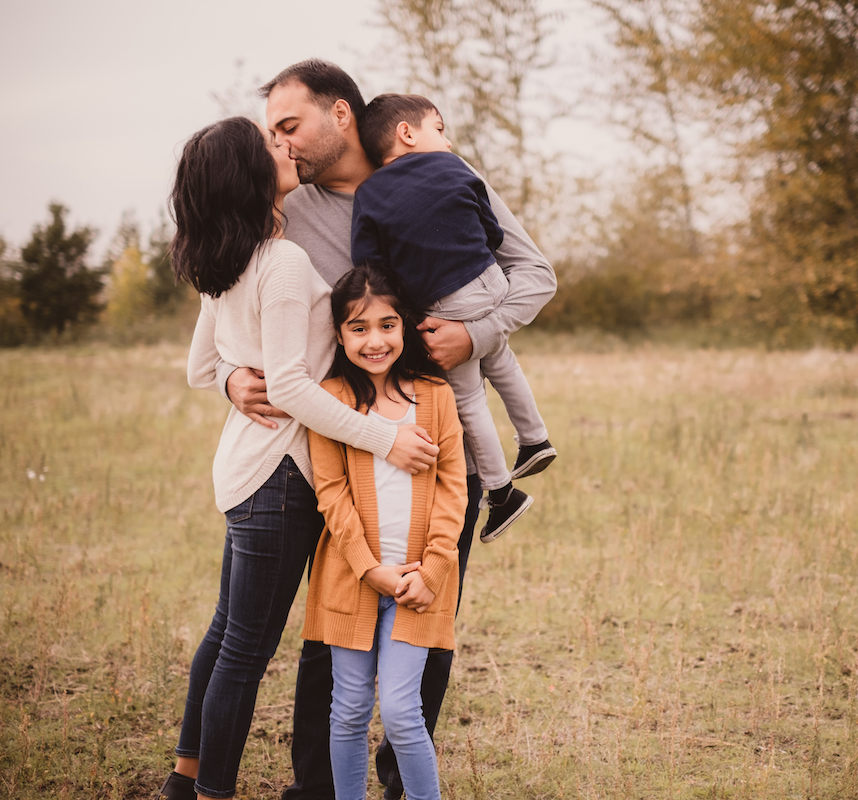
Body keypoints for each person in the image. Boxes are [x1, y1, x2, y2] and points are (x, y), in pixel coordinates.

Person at [223, 58, 556, 800]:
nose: (283, 145)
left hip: (444, 436)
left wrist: (476, 337)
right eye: (274, 132)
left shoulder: (440, 168)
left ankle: (403, 784)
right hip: (339, 443)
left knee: (425, 619)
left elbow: (534, 273)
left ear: (341, 113)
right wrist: (227, 374)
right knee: (334, 624)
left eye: (290, 126)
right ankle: (316, 789)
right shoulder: (289, 208)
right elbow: (228, 296)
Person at [158, 117, 439, 800]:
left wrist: (231, 378)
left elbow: (205, 365)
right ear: (248, 174)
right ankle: (209, 793)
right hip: (281, 477)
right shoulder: (279, 262)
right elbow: (286, 384)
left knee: (228, 635)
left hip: (248, 471)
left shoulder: (228, 256)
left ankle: (184, 779)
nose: (283, 148)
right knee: (245, 651)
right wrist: (386, 438)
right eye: (269, 146)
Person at [352, 92, 557, 544]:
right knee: (502, 361)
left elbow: (370, 268)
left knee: (469, 401)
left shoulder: (369, 194)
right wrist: (478, 253)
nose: (447, 141)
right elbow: (492, 226)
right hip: (490, 279)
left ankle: (502, 492)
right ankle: (535, 439)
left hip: (445, 304)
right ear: (407, 133)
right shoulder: (456, 166)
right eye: (439, 129)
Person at [304, 263, 466, 800]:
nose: (375, 339)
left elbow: (452, 487)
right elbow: (332, 495)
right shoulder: (327, 400)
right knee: (348, 709)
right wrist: (370, 568)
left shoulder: (436, 395)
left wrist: (438, 567)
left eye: (387, 324)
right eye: (358, 327)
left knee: (400, 711)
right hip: (354, 578)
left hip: (420, 583)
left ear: (405, 325)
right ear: (338, 333)